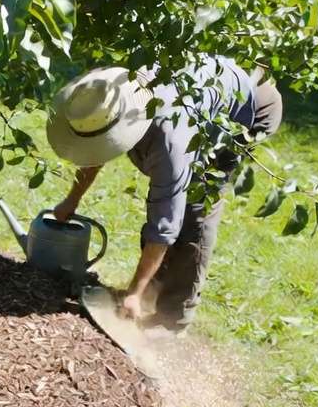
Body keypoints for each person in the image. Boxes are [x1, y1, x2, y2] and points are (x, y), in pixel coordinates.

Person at [46, 57, 283, 331]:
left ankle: (172, 317)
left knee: (195, 210)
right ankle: (151, 289)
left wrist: (133, 292)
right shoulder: (102, 93)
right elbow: (94, 149)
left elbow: (164, 224)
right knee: (172, 207)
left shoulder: (170, 142)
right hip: (205, 94)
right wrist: (72, 199)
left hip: (247, 109)